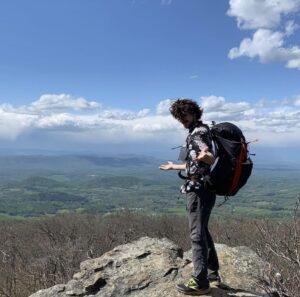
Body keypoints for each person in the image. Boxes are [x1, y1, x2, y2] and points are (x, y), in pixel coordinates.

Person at [159, 99, 220, 295]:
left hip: (199, 189)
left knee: (196, 235)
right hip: (203, 186)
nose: (182, 119)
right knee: (202, 230)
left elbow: (208, 157)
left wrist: (206, 157)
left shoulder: (199, 133)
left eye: (185, 115)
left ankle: (200, 282)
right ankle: (211, 273)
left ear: (194, 113)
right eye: (179, 117)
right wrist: (173, 167)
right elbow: (195, 165)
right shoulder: (199, 131)